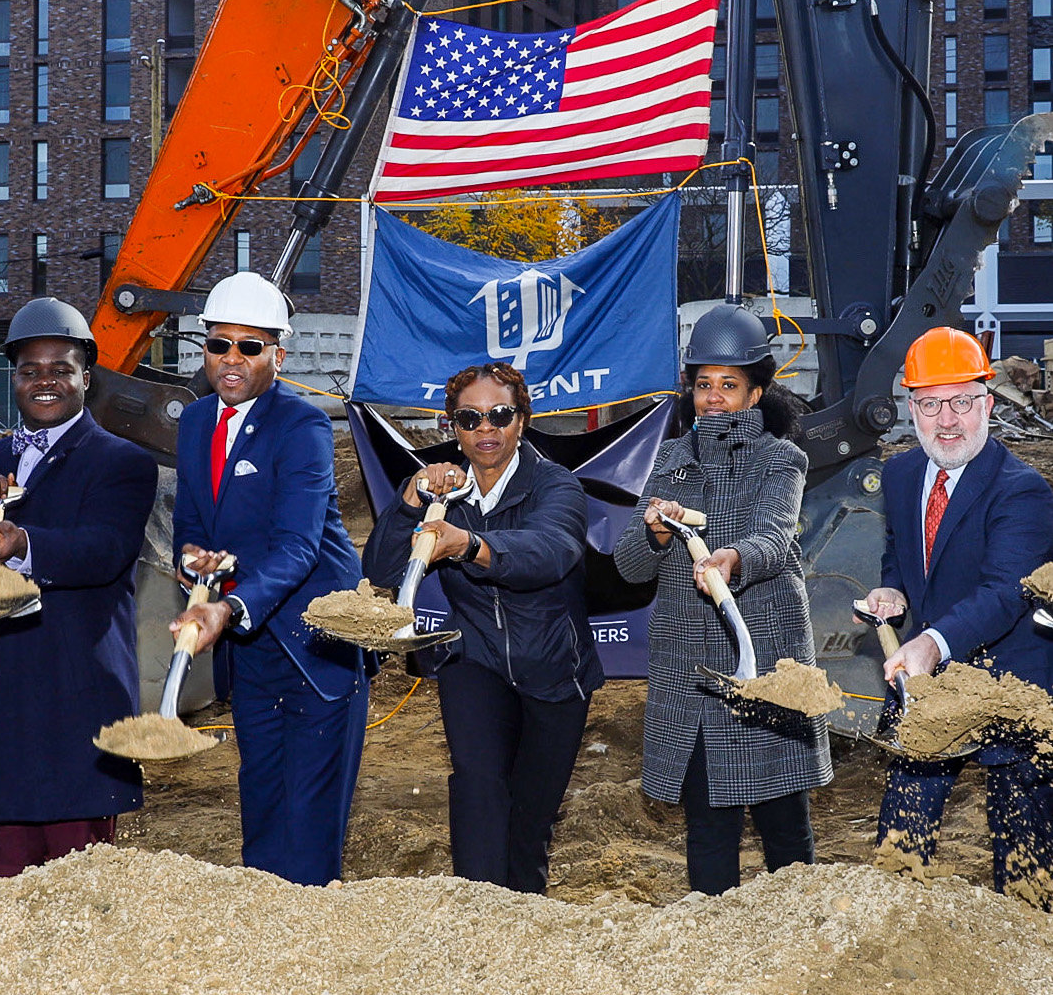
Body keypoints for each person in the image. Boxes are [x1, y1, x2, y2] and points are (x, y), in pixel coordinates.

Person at [0, 298, 158, 877]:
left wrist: (21, 542)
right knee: (0, 896)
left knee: (72, 904)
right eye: (30, 370)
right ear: (15, 379)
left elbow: (104, 551)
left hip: (71, 713)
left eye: (61, 368)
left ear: (87, 378)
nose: (45, 380)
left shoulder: (121, 462)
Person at [613, 303, 830, 896]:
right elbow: (629, 565)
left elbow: (774, 534)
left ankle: (798, 938)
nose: (714, 398)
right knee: (708, 824)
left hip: (766, 664)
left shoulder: (781, 458)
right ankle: (715, 947)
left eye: (729, 385)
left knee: (784, 823)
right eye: (703, 384)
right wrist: (658, 530)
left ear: (756, 393)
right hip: (692, 673)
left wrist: (731, 559)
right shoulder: (672, 461)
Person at [361, 363, 602, 893]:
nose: (485, 429)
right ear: (452, 426)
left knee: (529, 824)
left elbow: (551, 551)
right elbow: (378, 572)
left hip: (555, 670)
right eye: (470, 418)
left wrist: (471, 545)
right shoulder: (442, 492)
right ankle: (476, 918)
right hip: (474, 660)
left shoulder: (555, 484)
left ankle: (524, 926)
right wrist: (408, 503)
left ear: (523, 420)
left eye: (500, 415)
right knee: (478, 795)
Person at [171, 271, 368, 886]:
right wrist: (193, 565)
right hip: (252, 647)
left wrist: (228, 609)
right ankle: (262, 935)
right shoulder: (196, 421)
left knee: (309, 818)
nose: (231, 359)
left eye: (249, 346)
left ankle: (310, 944)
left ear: (278, 354)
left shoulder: (302, 425)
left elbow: (298, 546)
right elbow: (189, 524)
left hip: (314, 643)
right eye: (218, 343)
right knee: (261, 798)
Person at [862, 326, 1053, 895]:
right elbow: (902, 552)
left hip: (1011, 684)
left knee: (1026, 861)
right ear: (911, 409)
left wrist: (929, 642)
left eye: (962, 402)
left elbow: (1004, 592)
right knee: (902, 839)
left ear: (988, 404)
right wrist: (892, 592)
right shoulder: (899, 476)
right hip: (930, 690)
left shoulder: (1024, 491)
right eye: (930, 404)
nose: (947, 420)